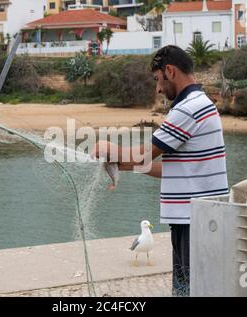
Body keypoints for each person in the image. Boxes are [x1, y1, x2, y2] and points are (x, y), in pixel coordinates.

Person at [94, 45, 228, 296]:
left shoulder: (188, 108)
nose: (157, 88)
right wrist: (124, 165)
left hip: (194, 220)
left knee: (192, 289)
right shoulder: (200, 104)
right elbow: (175, 169)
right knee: (188, 287)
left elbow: (145, 153)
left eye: (157, 79)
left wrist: (110, 147)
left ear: (169, 71)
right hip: (195, 218)